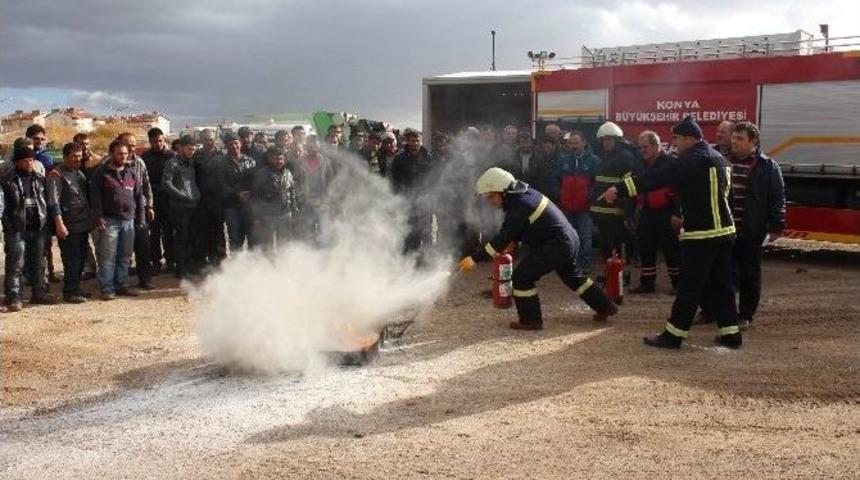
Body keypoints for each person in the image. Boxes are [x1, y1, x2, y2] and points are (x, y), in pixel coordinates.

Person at [601, 116, 741, 349]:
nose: (674, 144)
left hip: (702, 234)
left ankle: (674, 334)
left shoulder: (691, 160)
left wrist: (620, 188)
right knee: (721, 285)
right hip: (725, 232)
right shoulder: (719, 158)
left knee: (689, 286)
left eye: (676, 138)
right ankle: (731, 333)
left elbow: (657, 178)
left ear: (689, 138)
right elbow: (729, 198)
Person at [458, 167, 618, 330]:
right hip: (568, 240)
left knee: (522, 277)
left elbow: (500, 240)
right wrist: (513, 239)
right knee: (574, 278)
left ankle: (531, 320)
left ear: (504, 192)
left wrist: (474, 259)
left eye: (491, 196)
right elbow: (525, 225)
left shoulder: (519, 205)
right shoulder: (524, 194)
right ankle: (605, 306)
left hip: (557, 245)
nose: (489, 201)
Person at [727, 121, 785, 329]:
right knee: (719, 273)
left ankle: (745, 315)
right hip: (725, 231)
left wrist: (777, 225)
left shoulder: (768, 167)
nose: (734, 143)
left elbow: (777, 198)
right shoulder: (722, 162)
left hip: (750, 231)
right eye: (734, 138)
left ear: (754, 142)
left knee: (749, 274)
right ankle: (712, 311)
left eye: (740, 139)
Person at [2, 145, 58, 310]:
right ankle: (14, 297)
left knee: (38, 263)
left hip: (38, 228)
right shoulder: (7, 181)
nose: (29, 163)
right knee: (15, 265)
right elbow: (3, 207)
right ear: (17, 162)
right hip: (17, 229)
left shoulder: (40, 179)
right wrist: (9, 226)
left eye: (32, 160)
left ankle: (38, 294)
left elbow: (49, 202)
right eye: (26, 160)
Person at [90, 140, 145, 300]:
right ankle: (107, 287)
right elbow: (95, 197)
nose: (123, 156)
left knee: (125, 255)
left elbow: (139, 196)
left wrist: (140, 218)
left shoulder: (131, 172)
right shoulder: (102, 172)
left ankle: (122, 284)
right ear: (112, 154)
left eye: (125, 153)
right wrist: (99, 216)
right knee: (108, 256)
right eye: (119, 153)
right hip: (109, 221)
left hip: (129, 220)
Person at [630, 131, 680, 294]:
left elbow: (679, 191)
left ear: (657, 146)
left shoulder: (671, 164)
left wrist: (677, 213)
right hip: (646, 211)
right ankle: (647, 283)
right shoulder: (639, 164)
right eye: (640, 147)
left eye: (645, 147)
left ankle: (678, 284)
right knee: (646, 247)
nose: (642, 150)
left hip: (667, 212)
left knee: (671, 249)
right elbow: (633, 186)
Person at [47, 143, 94, 303]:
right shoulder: (56, 175)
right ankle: (70, 291)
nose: (77, 159)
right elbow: (54, 202)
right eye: (74, 156)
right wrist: (59, 224)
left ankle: (76, 287)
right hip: (68, 225)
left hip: (82, 223)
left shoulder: (79, 173)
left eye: (80, 156)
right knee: (71, 259)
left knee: (80, 258)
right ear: (65, 156)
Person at [589, 121, 638, 267]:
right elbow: (597, 184)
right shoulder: (602, 156)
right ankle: (610, 274)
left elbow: (629, 188)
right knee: (605, 247)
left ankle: (620, 277)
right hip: (602, 212)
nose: (606, 142)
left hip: (616, 213)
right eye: (604, 139)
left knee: (617, 247)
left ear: (617, 140)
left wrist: (627, 213)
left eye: (609, 139)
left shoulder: (626, 158)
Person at [118, 132, 155, 290]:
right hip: (120, 212)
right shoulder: (110, 163)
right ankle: (121, 282)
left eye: (133, 145)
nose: (132, 149)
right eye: (128, 145)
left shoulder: (139, 162)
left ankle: (145, 279)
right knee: (122, 249)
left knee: (143, 246)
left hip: (139, 210)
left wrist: (150, 206)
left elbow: (147, 185)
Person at [558, 131, 599, 272]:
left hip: (585, 207)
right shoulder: (563, 160)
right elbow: (555, 180)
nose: (573, 146)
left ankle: (584, 264)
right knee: (569, 236)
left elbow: (598, 183)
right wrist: (560, 195)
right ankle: (570, 263)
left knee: (585, 236)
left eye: (576, 142)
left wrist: (590, 197)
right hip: (567, 207)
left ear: (584, 142)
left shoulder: (594, 161)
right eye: (571, 143)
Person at [390, 129, 435, 254]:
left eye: (417, 140)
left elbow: (434, 178)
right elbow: (394, 180)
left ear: (421, 141)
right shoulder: (399, 159)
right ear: (408, 142)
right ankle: (408, 258)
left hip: (425, 201)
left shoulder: (428, 158)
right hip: (407, 200)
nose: (415, 143)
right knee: (408, 230)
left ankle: (428, 258)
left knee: (426, 230)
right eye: (412, 141)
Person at [162, 135, 201, 278]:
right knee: (181, 238)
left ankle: (190, 266)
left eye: (193, 149)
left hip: (193, 204)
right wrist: (182, 195)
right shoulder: (172, 163)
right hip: (180, 206)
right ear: (181, 147)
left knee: (192, 237)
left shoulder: (191, 162)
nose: (192, 151)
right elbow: (166, 184)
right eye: (189, 149)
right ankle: (181, 269)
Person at [26, 124, 59, 284]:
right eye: (36, 138)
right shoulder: (20, 155)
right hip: (26, 207)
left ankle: (49, 273)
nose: (39, 141)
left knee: (45, 242)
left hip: (45, 204)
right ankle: (30, 275)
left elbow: (52, 179)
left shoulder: (47, 158)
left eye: (42, 138)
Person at [251, 147, 299, 251]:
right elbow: (256, 196)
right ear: (269, 159)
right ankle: (268, 266)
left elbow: (292, 193)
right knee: (267, 246)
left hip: (285, 214)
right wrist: (256, 217)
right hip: (267, 215)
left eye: (281, 159)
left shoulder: (288, 173)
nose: (279, 161)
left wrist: (294, 210)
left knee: (284, 244)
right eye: (276, 159)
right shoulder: (262, 174)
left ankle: (283, 265)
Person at [142, 127, 175, 274]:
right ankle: (155, 262)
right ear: (150, 142)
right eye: (155, 141)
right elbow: (143, 180)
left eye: (161, 141)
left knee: (169, 233)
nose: (158, 144)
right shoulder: (145, 158)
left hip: (169, 201)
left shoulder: (172, 156)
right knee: (153, 234)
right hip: (152, 202)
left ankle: (170, 261)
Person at [193, 128, 227, 267]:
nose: (209, 142)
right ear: (201, 140)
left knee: (218, 229)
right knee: (203, 229)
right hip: (201, 198)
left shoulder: (222, 155)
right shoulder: (196, 156)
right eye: (206, 139)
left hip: (218, 198)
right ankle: (204, 258)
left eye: (212, 139)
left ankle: (220, 258)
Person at [293, 135, 334, 241]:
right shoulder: (299, 162)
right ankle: (309, 254)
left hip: (322, 201)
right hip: (306, 201)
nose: (314, 148)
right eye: (311, 146)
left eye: (316, 146)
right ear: (307, 146)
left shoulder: (326, 161)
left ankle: (323, 253)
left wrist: (328, 197)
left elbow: (331, 181)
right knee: (307, 230)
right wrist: (300, 196)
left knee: (323, 230)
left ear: (319, 146)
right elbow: (295, 181)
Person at [222, 132, 256, 252]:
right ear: (226, 146)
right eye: (230, 144)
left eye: (236, 143)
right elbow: (221, 185)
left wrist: (250, 194)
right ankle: (236, 267)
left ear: (240, 143)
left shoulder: (250, 161)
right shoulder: (221, 163)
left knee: (253, 237)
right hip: (231, 206)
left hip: (249, 206)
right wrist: (237, 194)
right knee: (235, 238)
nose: (234, 146)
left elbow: (256, 182)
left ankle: (254, 266)